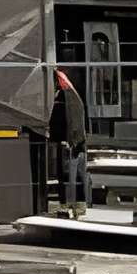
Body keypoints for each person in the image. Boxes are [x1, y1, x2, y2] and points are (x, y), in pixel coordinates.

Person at [48, 69, 88, 207]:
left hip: (69, 142)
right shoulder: (70, 96)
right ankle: (71, 203)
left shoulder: (65, 98)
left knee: (72, 176)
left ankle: (74, 203)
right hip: (68, 141)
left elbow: (70, 121)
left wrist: (73, 140)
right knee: (70, 176)